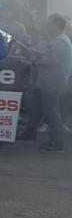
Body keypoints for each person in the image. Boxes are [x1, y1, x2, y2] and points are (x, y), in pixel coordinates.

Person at [33, 14, 72, 153]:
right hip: (52, 80)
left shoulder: (60, 41)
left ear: (56, 25)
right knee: (51, 111)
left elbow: (54, 61)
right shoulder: (57, 40)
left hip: (54, 80)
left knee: (52, 111)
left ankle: (57, 142)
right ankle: (54, 140)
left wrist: (35, 61)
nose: (47, 25)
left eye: (50, 23)